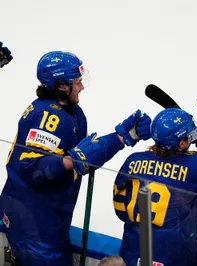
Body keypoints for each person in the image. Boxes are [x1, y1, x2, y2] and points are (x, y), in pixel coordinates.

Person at [0, 51, 152, 266]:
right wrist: (72, 160)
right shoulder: (48, 117)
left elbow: (82, 158)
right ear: (62, 85)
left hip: (47, 221)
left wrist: (121, 138)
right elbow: (31, 167)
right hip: (34, 227)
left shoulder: (71, 112)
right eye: (78, 82)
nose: (82, 87)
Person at [112, 108, 197, 266]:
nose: (193, 136)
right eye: (190, 135)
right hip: (174, 257)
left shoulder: (133, 160)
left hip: (131, 254)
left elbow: (120, 206)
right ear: (182, 143)